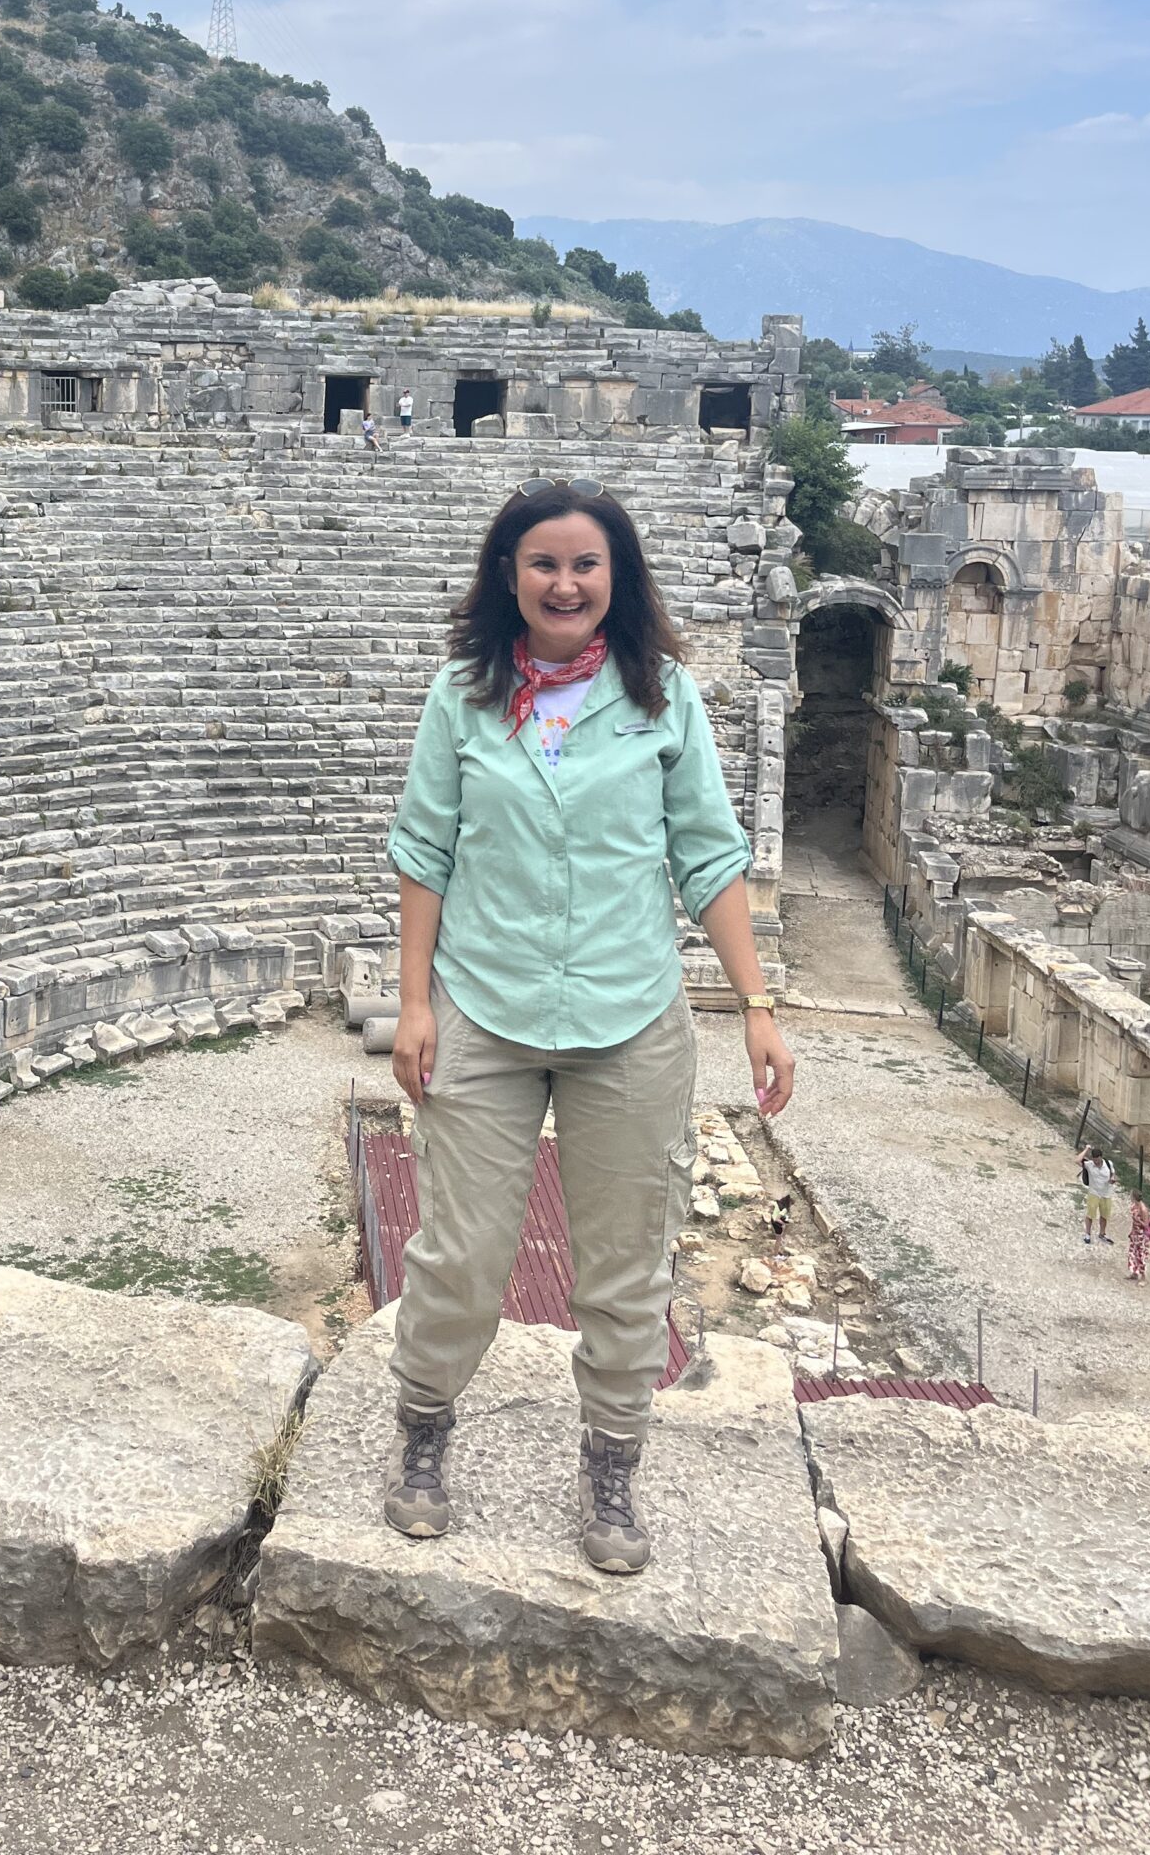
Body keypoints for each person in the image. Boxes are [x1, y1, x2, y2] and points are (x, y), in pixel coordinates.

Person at [384, 481, 793, 1573]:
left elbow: (708, 854)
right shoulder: (461, 698)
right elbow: (426, 852)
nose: (565, 583)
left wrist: (757, 1004)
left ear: (618, 580)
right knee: (461, 1253)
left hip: (629, 1017)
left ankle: (613, 1467)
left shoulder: (666, 702)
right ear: (509, 577)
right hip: (488, 1005)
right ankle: (422, 1431)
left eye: (586, 565)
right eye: (544, 564)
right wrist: (416, 1002)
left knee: (625, 1265)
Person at [1079, 1148, 1116, 1246]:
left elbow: (1112, 1173)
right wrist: (1086, 1149)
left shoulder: (1108, 1164)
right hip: (1094, 1193)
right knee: (1090, 1215)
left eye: (1097, 1160)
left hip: (1106, 1194)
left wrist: (1112, 1178)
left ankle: (1102, 1233)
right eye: (1094, 1160)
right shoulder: (1089, 1164)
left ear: (1101, 1157)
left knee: (1104, 1216)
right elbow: (1077, 1160)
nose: (1096, 1162)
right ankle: (1087, 1233)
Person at [1126, 1190, 1150, 1283]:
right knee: (1133, 1253)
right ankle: (1134, 1273)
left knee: (1141, 1256)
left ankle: (1143, 1277)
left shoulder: (1143, 1209)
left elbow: (1146, 1225)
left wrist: (1137, 1220)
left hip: (1141, 1236)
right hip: (1135, 1234)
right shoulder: (1135, 1206)